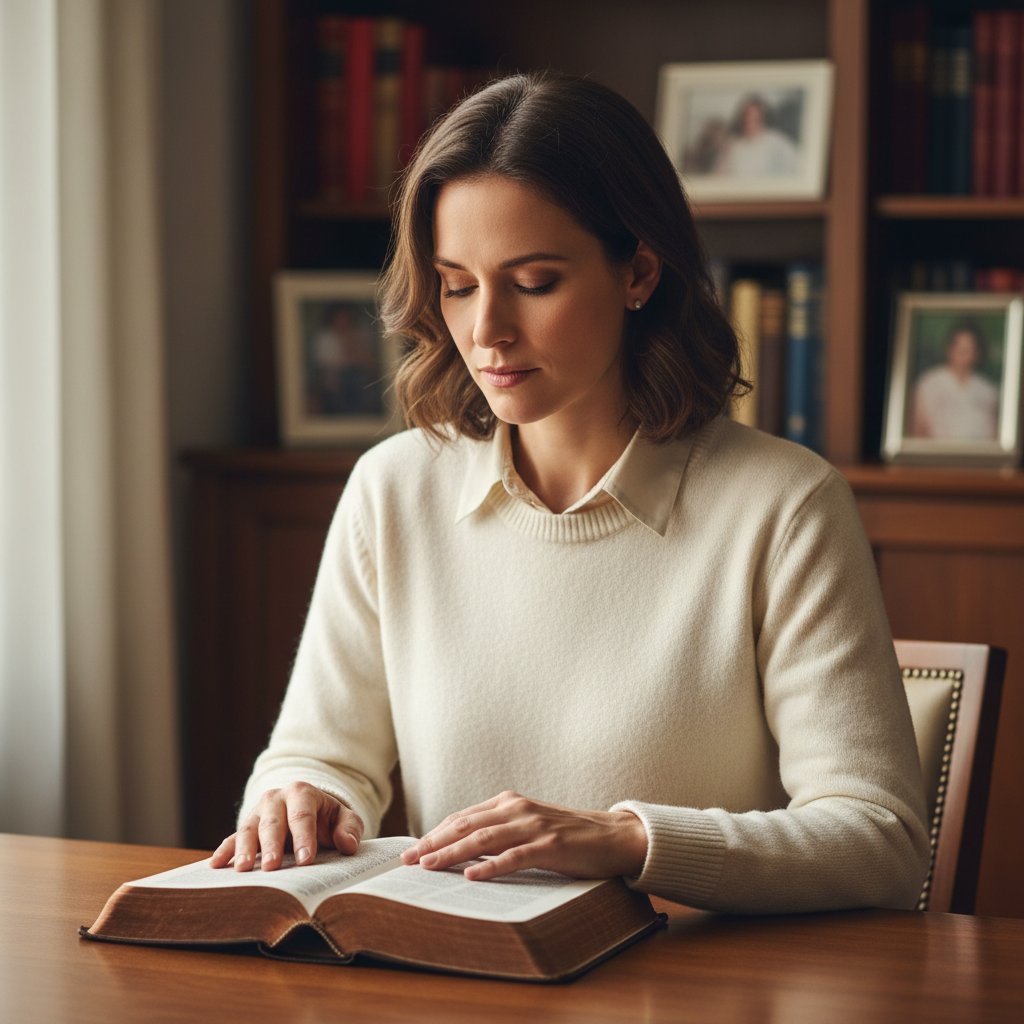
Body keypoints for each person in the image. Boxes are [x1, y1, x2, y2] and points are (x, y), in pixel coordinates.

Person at [212, 72, 928, 914]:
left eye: (535, 281)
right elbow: (321, 754)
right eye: (457, 283)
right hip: (464, 980)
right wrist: (301, 792)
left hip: (696, 992)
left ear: (640, 271)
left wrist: (631, 841)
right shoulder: (393, 488)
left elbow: (880, 840)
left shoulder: (787, 506)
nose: (487, 332)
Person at [910, 321, 1000, 440]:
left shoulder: (988, 390)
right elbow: (919, 428)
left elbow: (995, 431)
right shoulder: (929, 383)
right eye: (959, 347)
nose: (963, 353)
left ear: (977, 354)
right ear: (949, 349)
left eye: (968, 349)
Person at [717, 94, 800, 178]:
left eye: (754, 116)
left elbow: (796, 164)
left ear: (762, 117)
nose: (749, 120)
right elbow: (720, 176)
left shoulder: (776, 141)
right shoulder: (734, 146)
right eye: (747, 115)